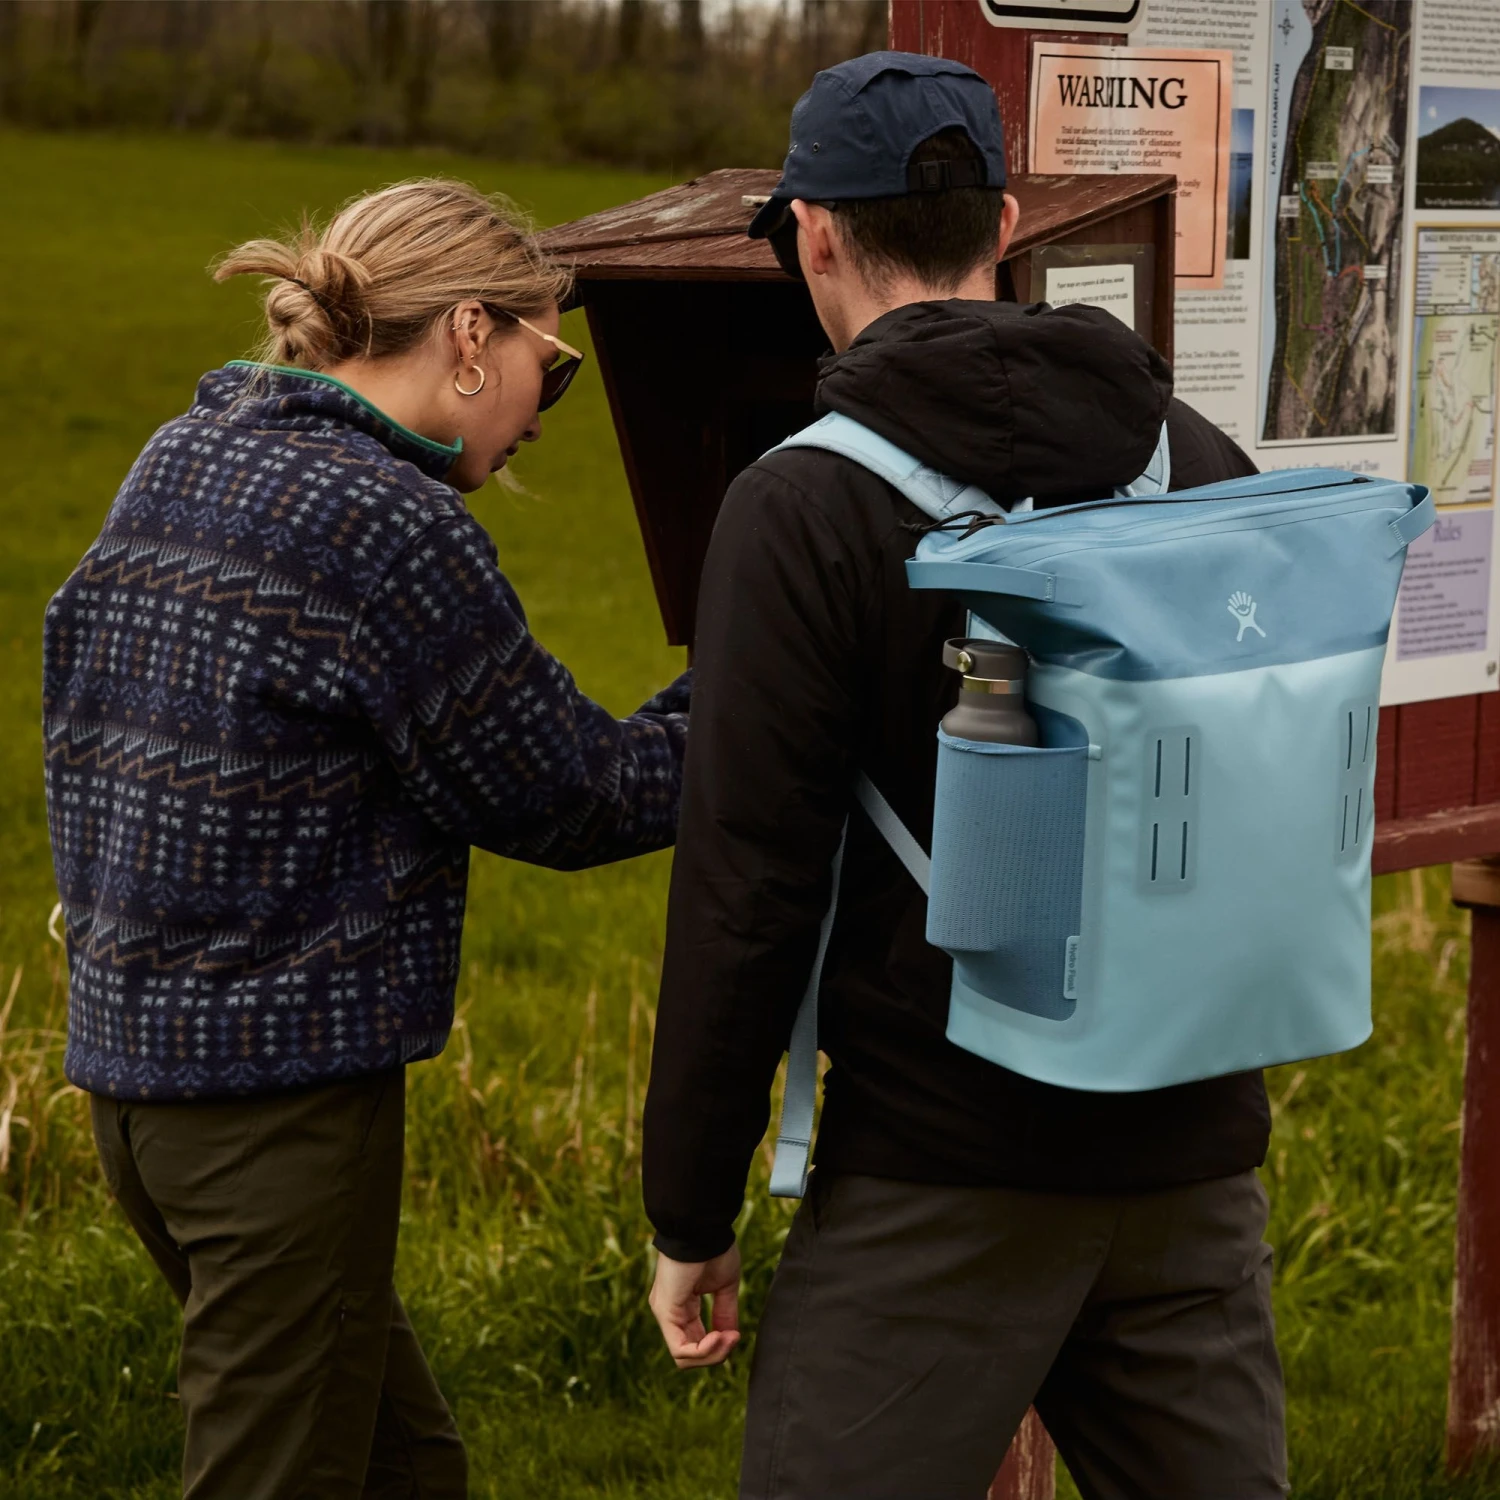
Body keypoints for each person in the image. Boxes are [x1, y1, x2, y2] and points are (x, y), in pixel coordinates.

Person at [642, 52, 1287, 1500]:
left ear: (811, 231)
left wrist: (690, 1206)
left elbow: (747, 888)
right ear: (1003, 222)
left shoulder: (800, 504)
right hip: (1189, 1153)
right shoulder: (1199, 461)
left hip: (939, 1165)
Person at [42, 178, 689, 1499]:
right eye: (545, 369)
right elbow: (577, 797)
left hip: (136, 1090)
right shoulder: (388, 522)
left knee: (405, 1466)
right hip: (273, 1115)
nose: (538, 417)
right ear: (468, 335)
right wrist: (760, 677)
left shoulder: (193, 450)